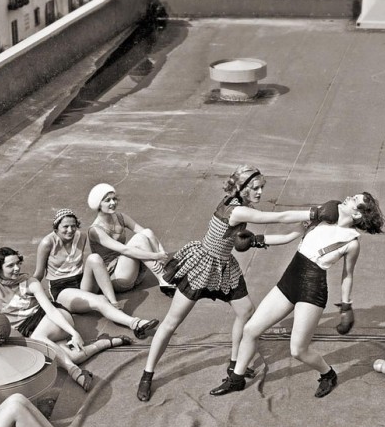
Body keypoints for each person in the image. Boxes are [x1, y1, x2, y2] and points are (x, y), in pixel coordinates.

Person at [137, 165, 340, 402]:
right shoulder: (238, 211)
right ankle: (147, 374)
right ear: (241, 188)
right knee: (171, 322)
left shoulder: (235, 203)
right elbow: (277, 217)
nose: (260, 192)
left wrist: (298, 230)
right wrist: (314, 213)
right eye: (255, 188)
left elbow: (273, 235)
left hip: (224, 266)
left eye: (262, 187)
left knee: (246, 311)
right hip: (203, 264)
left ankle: (235, 365)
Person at [210, 192, 385, 399]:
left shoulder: (352, 242)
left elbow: (347, 275)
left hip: (312, 291)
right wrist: (256, 240)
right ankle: (236, 379)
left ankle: (328, 374)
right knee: (250, 330)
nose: (348, 197)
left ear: (358, 215)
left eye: (355, 200)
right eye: (352, 195)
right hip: (289, 281)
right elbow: (289, 236)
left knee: (298, 350)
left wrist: (346, 306)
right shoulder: (322, 217)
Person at [0, 247, 123, 391]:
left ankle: (74, 371)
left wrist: (73, 333)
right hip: (29, 329)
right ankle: (103, 343)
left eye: (18, 263)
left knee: (40, 340)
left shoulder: (30, 282)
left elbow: (51, 311)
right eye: (10, 266)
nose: (17, 268)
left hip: (55, 318)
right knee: (74, 356)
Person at [34, 209, 159, 340]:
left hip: (81, 282)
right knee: (100, 300)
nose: (70, 230)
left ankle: (114, 303)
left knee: (94, 258)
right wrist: (27, 292)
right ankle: (136, 324)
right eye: (65, 227)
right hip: (62, 290)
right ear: (56, 228)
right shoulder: (47, 243)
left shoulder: (80, 236)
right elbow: (38, 274)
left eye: (73, 226)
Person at [87, 183, 174, 296]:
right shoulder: (95, 230)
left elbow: (147, 233)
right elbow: (125, 250)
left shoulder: (120, 217)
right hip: (116, 278)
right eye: (107, 200)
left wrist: (161, 253)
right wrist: (155, 256)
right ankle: (163, 279)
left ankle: (163, 275)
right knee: (139, 239)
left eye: (114, 199)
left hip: (131, 271)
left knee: (146, 232)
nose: (113, 203)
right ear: (99, 204)